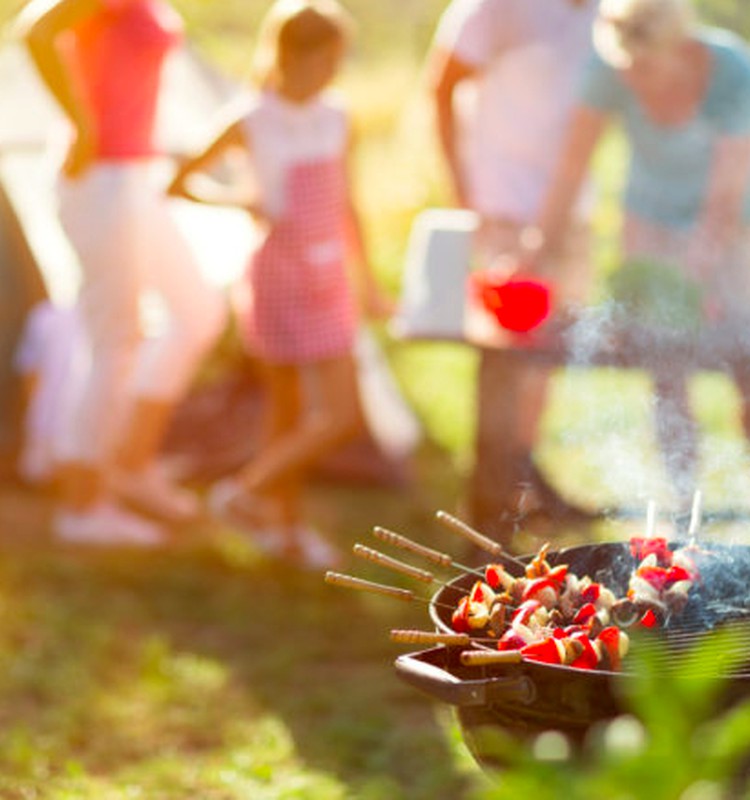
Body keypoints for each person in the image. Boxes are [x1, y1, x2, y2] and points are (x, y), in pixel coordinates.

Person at [168, 0, 393, 567]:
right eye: (326, 60)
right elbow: (180, 180)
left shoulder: (337, 117)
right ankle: (284, 530)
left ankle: (244, 492)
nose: (332, 73)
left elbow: (349, 203)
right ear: (292, 55)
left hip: (328, 277)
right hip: (278, 276)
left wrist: (368, 282)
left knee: (340, 415)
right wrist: (244, 201)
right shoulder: (251, 118)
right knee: (284, 411)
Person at [523, 0, 750, 508]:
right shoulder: (609, 67)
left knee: (744, 357)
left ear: (680, 46)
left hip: (732, 229)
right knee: (663, 358)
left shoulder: (732, 69)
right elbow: (572, 164)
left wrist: (697, 267)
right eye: (626, 70)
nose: (634, 81)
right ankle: (684, 508)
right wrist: (538, 244)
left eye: (645, 68)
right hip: (648, 222)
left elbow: (728, 189)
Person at [15, 0, 227, 545]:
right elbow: (35, 30)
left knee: (198, 311)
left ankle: (131, 465)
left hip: (137, 174)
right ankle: (83, 505)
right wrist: (80, 119)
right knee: (115, 337)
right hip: (100, 178)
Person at [425, 0, 600, 526]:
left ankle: (525, 476)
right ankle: (487, 496)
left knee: (550, 351)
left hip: (570, 212)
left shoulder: (606, 13)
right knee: (503, 357)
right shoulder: (496, 7)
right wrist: (462, 193)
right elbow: (439, 85)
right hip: (503, 206)